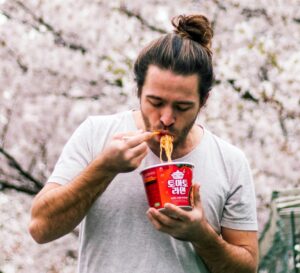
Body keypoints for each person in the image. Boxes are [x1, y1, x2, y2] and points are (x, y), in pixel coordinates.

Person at [29, 14, 258, 273]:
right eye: (155, 102)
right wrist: (104, 167)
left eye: (182, 107)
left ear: (204, 100)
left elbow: (247, 268)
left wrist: (201, 234)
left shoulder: (230, 161)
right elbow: (40, 227)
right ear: (138, 91)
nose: (166, 118)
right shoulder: (97, 134)